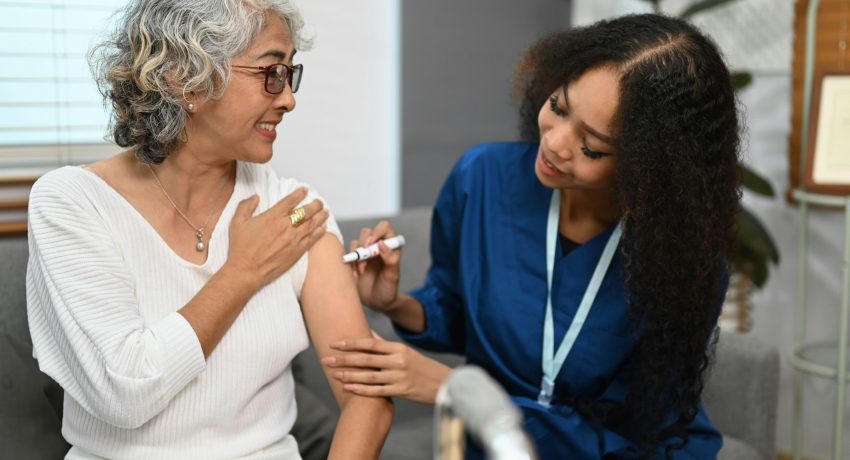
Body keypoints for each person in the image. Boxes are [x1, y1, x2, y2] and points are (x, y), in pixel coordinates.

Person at [324, 13, 739, 459]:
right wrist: (395, 304)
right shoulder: (481, 178)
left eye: (591, 147)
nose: (555, 143)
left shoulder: (681, 258)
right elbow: (457, 311)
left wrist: (452, 387)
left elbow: (637, 435)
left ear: (648, 167)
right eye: (558, 107)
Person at [26, 0, 392, 458]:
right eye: (270, 73)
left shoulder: (294, 212)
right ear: (186, 80)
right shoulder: (72, 203)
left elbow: (367, 396)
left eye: (289, 75)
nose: (289, 99)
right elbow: (123, 391)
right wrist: (242, 272)